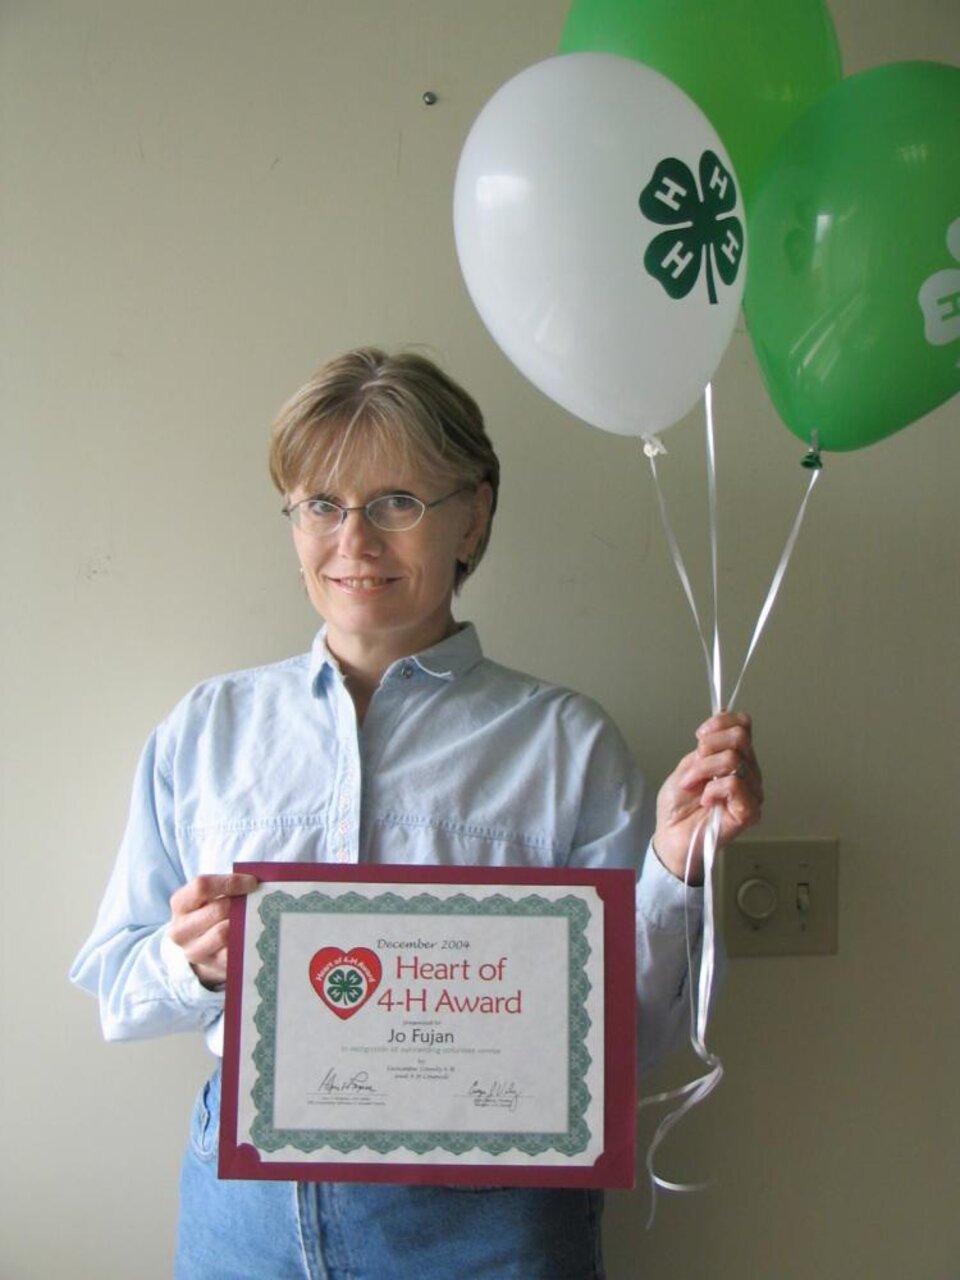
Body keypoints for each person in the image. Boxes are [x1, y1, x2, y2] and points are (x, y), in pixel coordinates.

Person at [70, 347, 762, 1279]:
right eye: (322, 504)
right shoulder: (205, 731)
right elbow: (116, 981)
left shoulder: (564, 744)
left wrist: (675, 868)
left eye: (396, 502)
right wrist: (189, 964)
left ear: (472, 518)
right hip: (248, 1219)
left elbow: (630, 1039)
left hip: (491, 1224)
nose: (353, 542)